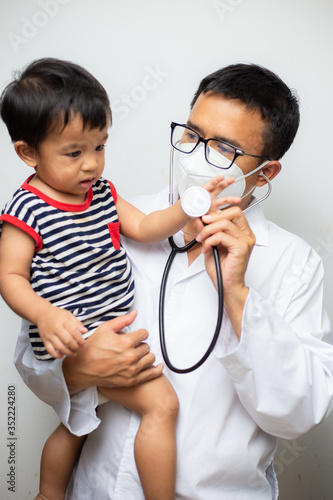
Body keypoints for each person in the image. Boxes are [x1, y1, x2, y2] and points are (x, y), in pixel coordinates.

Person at [12, 63, 333, 499]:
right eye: (192, 134)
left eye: (223, 147)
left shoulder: (295, 264)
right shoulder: (108, 219)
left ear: (266, 173)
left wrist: (238, 295)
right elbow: (33, 347)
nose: (197, 155)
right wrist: (71, 372)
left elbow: (300, 414)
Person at [0, 58, 237, 500]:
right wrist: (46, 316)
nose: (92, 164)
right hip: (73, 335)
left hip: (109, 329)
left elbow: (147, 228)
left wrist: (187, 207)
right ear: (27, 152)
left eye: (100, 146)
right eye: (74, 153)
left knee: (78, 425)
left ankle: (48, 495)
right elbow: (10, 276)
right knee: (162, 406)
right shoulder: (26, 209)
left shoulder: (103, 194)